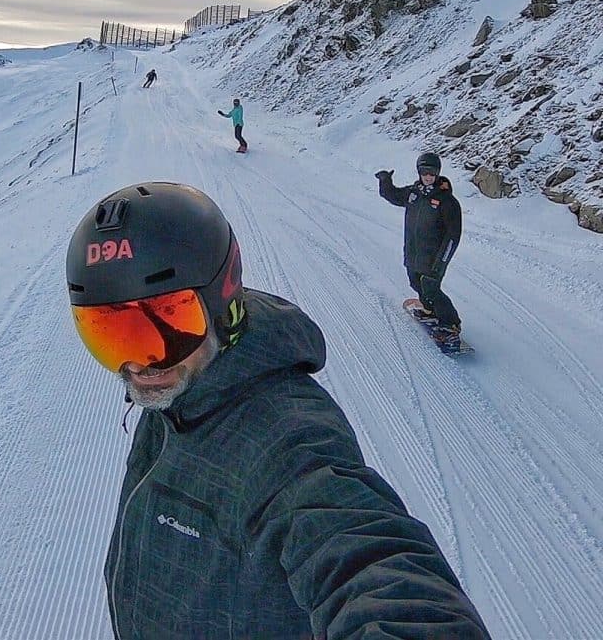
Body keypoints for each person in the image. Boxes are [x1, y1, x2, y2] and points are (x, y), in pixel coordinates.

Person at [65, 181, 490, 639]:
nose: (138, 363)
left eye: (169, 319)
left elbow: (368, 555)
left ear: (222, 303)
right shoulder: (181, 387)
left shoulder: (287, 437)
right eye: (111, 334)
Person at [376, 152, 463, 344]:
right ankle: (429, 309)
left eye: (432, 173)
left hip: (434, 257)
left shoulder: (447, 201)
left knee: (431, 287)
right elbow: (393, 195)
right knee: (415, 282)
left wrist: (442, 261)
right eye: (425, 172)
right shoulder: (414, 194)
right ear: (419, 172)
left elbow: (453, 236)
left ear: (438, 173)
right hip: (414, 253)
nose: (428, 177)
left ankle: (451, 324)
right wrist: (385, 181)